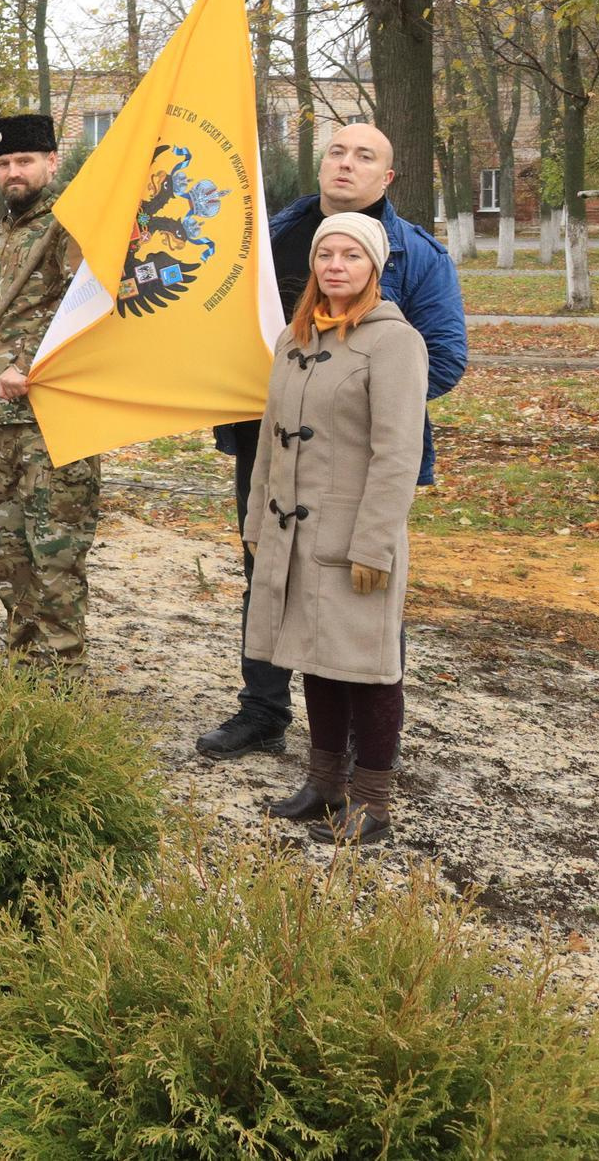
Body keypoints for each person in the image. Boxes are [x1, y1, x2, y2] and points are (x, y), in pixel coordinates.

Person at [197, 122, 467, 759]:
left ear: (386, 177)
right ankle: (263, 711)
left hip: (356, 459)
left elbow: (446, 359)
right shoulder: (267, 239)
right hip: (269, 446)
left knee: (358, 588)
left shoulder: (415, 255)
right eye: (337, 152)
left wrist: (343, 401)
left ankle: (359, 737)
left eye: (365, 156)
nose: (347, 164)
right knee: (267, 575)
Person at [245, 213, 430, 846]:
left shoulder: (394, 342)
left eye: (352, 255)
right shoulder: (293, 340)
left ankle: (372, 801)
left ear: (374, 268)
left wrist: (375, 542)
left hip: (357, 537)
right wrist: (255, 521)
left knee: (369, 668)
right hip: (296, 532)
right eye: (327, 253)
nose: (336, 266)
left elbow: (398, 453)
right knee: (314, 661)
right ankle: (323, 784)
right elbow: (269, 443)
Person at [0, 114, 101, 664]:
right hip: (4, 424)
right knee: (9, 557)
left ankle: (62, 681)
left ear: (51, 162)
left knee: (55, 558)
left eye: (23, 161)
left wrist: (34, 366)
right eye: (3, 164)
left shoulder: (73, 228)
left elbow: (92, 315)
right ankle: (23, 672)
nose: (13, 172)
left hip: (55, 423)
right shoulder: (0, 237)